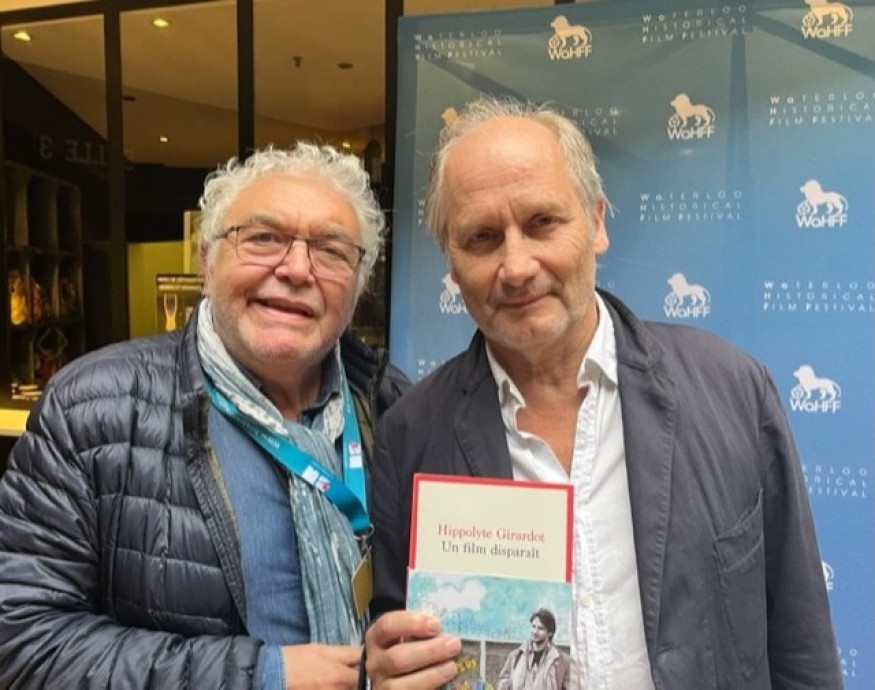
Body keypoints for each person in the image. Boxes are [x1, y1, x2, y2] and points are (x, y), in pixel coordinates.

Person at [363, 95, 842, 688]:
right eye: (483, 237)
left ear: (596, 223)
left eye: (542, 222)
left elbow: (802, 646)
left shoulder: (734, 390)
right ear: (451, 261)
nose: (517, 266)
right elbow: (406, 651)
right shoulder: (409, 435)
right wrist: (389, 673)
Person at [0, 143, 409, 688]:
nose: (296, 268)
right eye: (263, 238)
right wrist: (263, 676)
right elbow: (24, 642)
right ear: (206, 260)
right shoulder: (90, 410)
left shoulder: (395, 407)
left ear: (359, 284)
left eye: (331, 250)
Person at [497, 609, 570, 690]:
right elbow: (503, 683)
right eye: (533, 626)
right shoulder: (516, 656)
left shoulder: (561, 661)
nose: (535, 632)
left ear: (550, 633)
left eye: (540, 628)